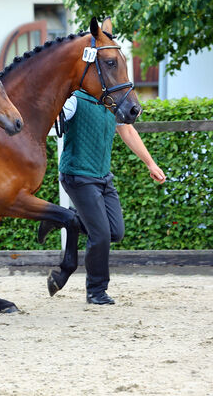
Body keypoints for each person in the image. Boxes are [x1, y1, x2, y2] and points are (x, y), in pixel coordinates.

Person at [48, 90, 166, 305]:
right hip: (77, 175)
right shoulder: (76, 99)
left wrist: (151, 163)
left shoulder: (112, 102)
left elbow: (128, 131)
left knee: (115, 231)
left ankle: (64, 219)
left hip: (103, 177)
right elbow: (53, 118)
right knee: (100, 234)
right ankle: (96, 290)